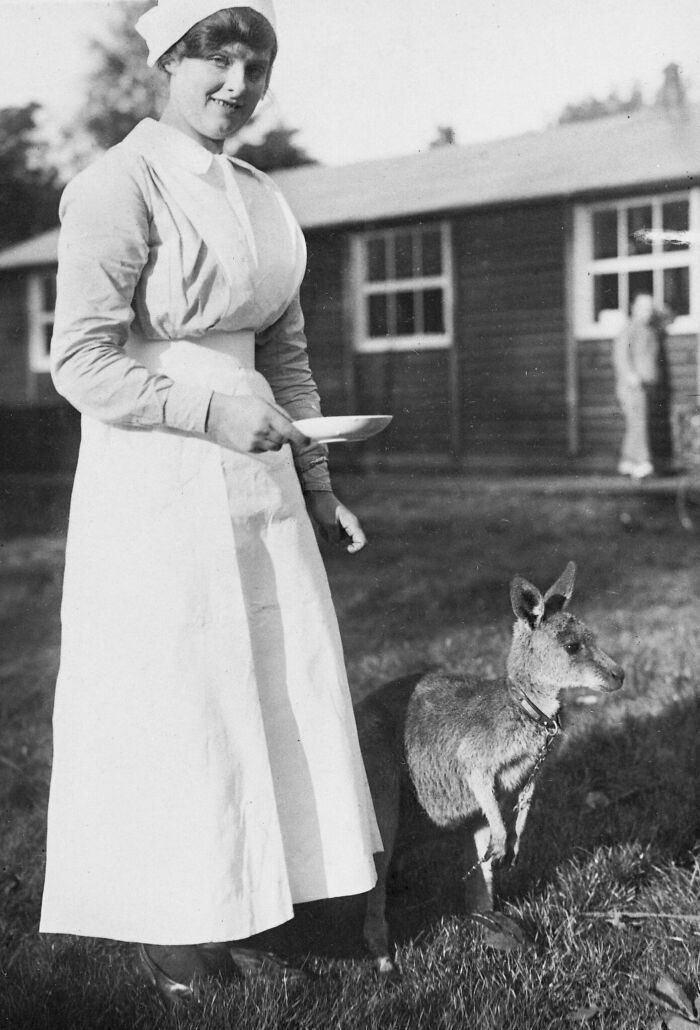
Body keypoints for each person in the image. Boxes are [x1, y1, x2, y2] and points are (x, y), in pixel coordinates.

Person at [40, 0, 382, 1003]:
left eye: (257, 66)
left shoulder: (262, 195)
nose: (238, 86)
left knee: (269, 684)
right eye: (217, 63)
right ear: (168, 63)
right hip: (155, 470)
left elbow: (284, 355)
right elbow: (81, 363)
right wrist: (206, 413)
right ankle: (171, 926)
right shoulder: (118, 184)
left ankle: (254, 896)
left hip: (261, 465)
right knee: (181, 693)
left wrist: (318, 487)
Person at [612, 293, 664, 479]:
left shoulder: (649, 331)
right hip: (632, 386)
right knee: (638, 422)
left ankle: (627, 461)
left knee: (636, 423)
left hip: (646, 385)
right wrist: (630, 375)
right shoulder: (629, 330)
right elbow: (620, 356)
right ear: (634, 308)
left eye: (650, 308)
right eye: (643, 307)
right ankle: (642, 462)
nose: (647, 312)